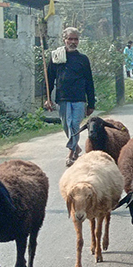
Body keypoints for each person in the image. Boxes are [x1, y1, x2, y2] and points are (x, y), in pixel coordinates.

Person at [45, 27, 96, 167]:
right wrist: (47, 98)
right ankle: (76, 147)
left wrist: (91, 103)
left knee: (74, 124)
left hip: (79, 98)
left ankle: (71, 153)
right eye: (70, 39)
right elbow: (49, 79)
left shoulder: (83, 59)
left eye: (76, 39)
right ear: (64, 40)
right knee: (66, 125)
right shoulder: (57, 57)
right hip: (62, 98)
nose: (73, 42)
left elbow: (89, 82)